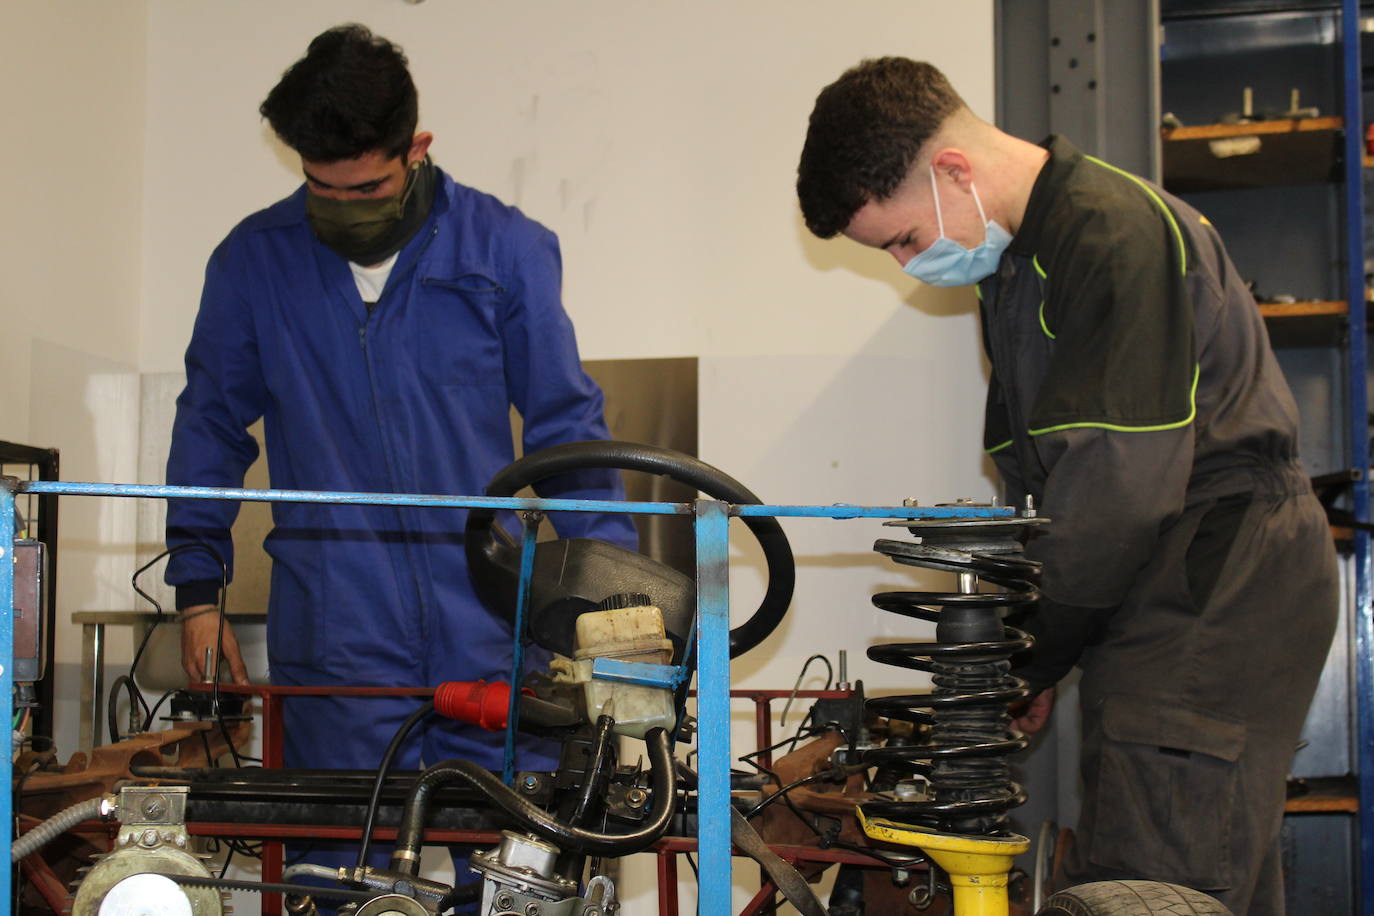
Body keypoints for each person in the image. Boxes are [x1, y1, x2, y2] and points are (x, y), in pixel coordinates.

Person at [796, 57, 1338, 916]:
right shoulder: (1016, 273)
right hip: (1162, 571)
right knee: (1187, 862)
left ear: (952, 171)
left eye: (902, 239)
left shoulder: (1108, 235)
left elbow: (1118, 488)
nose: (909, 264)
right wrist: (1030, 644)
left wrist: (1027, 655)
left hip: (1218, 565)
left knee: (1160, 875)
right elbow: (1039, 483)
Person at [164, 23, 636, 887]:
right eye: (323, 190)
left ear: (417, 149)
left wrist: (607, 606)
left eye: (369, 187)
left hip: (493, 629)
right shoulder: (252, 266)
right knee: (345, 880)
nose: (346, 209)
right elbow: (210, 429)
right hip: (338, 638)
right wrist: (198, 592)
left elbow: (569, 432)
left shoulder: (504, 252)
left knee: (512, 880)